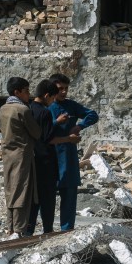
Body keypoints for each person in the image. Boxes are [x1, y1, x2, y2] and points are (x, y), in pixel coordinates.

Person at [49, 72, 99, 231]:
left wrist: (80, 126)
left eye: (66, 88)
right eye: (60, 89)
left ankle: (66, 230)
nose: (63, 92)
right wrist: (56, 122)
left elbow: (92, 114)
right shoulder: (46, 106)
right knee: (48, 197)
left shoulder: (71, 106)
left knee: (69, 196)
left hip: (69, 157)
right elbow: (41, 127)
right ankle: (47, 231)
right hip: (50, 156)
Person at [25, 79, 72, 236]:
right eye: (52, 98)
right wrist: (69, 139)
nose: (53, 102)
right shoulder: (45, 112)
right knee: (48, 199)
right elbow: (49, 139)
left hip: (32, 159)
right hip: (46, 161)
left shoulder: (28, 109)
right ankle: (48, 231)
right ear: (47, 95)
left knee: (34, 199)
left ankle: (28, 231)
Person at [0, 77, 40, 236]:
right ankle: (19, 231)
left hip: (8, 156)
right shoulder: (23, 110)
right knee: (22, 192)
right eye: (26, 91)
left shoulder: (3, 109)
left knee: (11, 190)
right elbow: (36, 133)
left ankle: (10, 229)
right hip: (22, 157)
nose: (28, 95)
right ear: (17, 92)